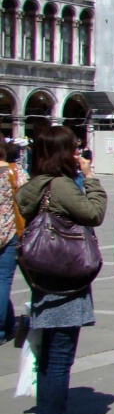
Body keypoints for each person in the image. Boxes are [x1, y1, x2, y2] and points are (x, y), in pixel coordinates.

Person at [16, 126, 107, 414]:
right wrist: (91, 178)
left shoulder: (33, 185)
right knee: (60, 356)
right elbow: (94, 214)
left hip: (43, 276)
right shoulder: (61, 186)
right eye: (71, 149)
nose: (76, 154)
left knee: (48, 352)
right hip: (66, 278)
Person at [0, 139, 26, 343]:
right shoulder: (15, 172)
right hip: (9, 233)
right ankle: (4, 326)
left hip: (9, 234)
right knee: (3, 281)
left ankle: (6, 323)